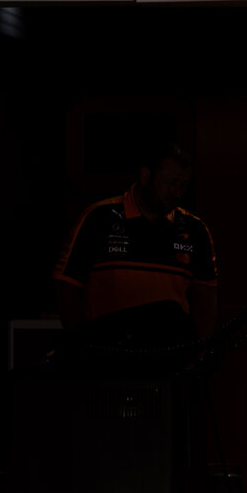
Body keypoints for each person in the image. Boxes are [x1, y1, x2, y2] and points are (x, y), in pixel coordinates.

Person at [54, 144, 218, 356]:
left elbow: (206, 298)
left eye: (184, 186)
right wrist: (79, 346)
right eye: (171, 183)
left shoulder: (195, 230)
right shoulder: (99, 217)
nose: (177, 193)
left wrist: (198, 356)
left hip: (168, 362)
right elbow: (66, 284)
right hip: (106, 359)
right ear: (145, 176)